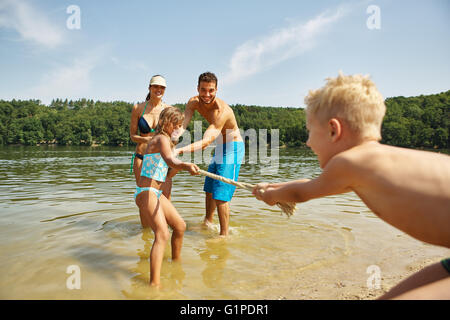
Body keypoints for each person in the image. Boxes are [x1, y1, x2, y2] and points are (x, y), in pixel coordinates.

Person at [252, 72, 450, 299]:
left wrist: (272, 196)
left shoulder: (350, 162)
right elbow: (312, 184)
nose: (307, 142)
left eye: (309, 131)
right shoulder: (366, 166)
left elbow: (302, 192)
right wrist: (273, 185)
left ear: (333, 130)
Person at [134, 106, 200, 287]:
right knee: (162, 234)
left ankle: (175, 265)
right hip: (146, 192)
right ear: (166, 122)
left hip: (155, 193)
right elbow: (171, 161)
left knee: (180, 226)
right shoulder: (161, 138)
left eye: (180, 126)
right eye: (176, 125)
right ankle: (154, 285)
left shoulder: (166, 143)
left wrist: (183, 167)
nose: (178, 129)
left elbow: (168, 172)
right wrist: (185, 165)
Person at [175, 72, 245, 236]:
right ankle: (207, 222)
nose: (207, 94)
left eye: (211, 90)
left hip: (233, 147)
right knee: (209, 187)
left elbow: (206, 142)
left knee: (221, 190)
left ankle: (224, 235)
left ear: (216, 90)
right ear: (197, 88)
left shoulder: (222, 111)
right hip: (221, 145)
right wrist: (172, 139)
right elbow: (183, 124)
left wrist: (179, 150)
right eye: (203, 90)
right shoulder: (193, 102)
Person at [129, 75, 176, 198]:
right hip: (141, 158)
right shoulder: (138, 108)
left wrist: (173, 156)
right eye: (155, 86)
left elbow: (174, 138)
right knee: (144, 198)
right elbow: (133, 136)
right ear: (149, 87)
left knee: (165, 198)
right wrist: (147, 139)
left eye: (162, 87)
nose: (159, 90)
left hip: (162, 160)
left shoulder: (169, 109)